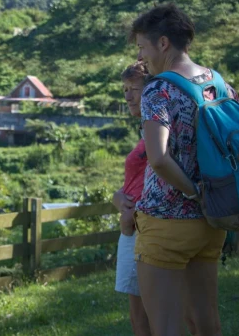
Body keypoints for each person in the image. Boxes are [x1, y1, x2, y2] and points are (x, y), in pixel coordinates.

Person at [131, 4, 238, 336]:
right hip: (211, 222)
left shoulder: (158, 89)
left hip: (167, 222)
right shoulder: (216, 82)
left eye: (142, 48)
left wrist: (193, 192)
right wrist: (206, 197)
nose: (140, 58)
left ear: (163, 43)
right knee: (207, 323)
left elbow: (159, 159)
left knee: (165, 327)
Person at [112, 61, 151, 336]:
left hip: (143, 231)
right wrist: (118, 197)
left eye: (134, 89)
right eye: (125, 89)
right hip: (133, 228)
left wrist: (130, 214)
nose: (127, 95)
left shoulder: (157, 128)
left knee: (144, 320)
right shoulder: (146, 130)